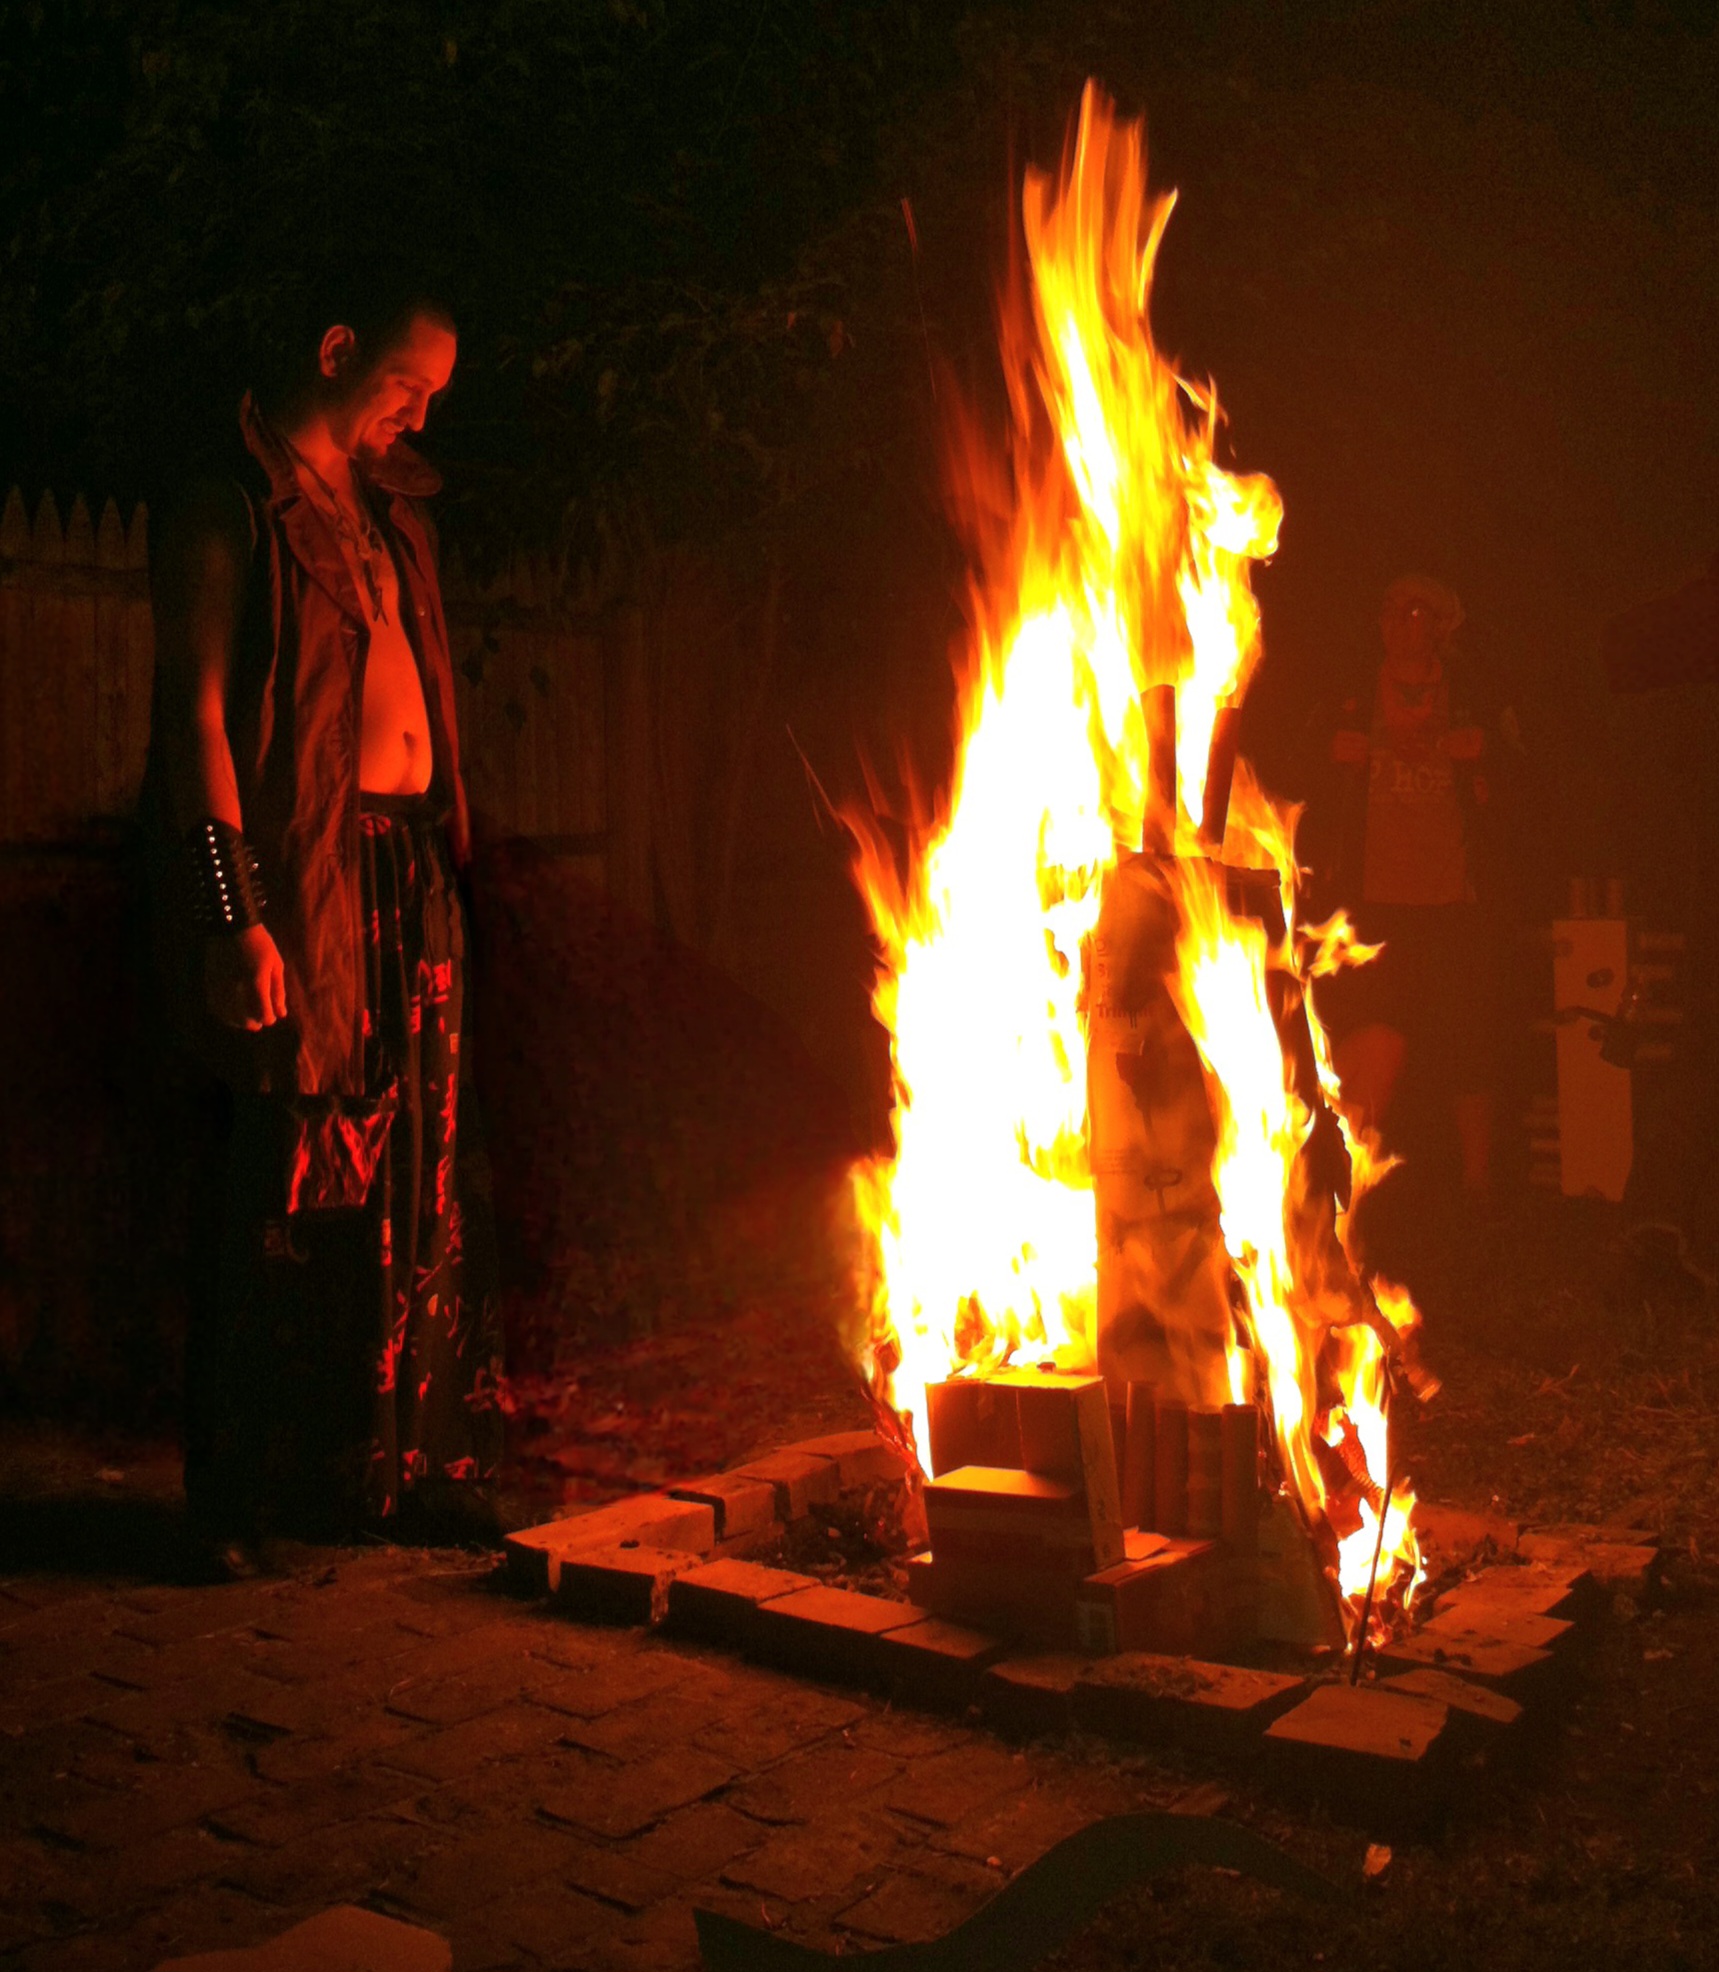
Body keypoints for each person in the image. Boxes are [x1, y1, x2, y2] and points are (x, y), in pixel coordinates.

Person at [144, 267, 503, 1571]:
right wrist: (230, 914)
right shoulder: (228, 506)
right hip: (300, 885)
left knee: (417, 1183)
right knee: (282, 1186)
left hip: (405, 877)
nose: (417, 418)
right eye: (404, 387)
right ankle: (236, 1498)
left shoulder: (386, 514)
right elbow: (194, 726)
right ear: (337, 347)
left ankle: (394, 1472)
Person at [1311, 574, 1517, 1199]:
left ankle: (1479, 1185)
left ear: (1441, 625)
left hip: (1452, 892)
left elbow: (1517, 764)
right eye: (1392, 611)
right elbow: (1307, 764)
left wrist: (1482, 751)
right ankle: (1361, 1182)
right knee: (1374, 1036)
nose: (1402, 623)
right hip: (1375, 895)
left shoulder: (1470, 691)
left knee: (1468, 1039)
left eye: (1417, 611)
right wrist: (1334, 752)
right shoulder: (1353, 693)